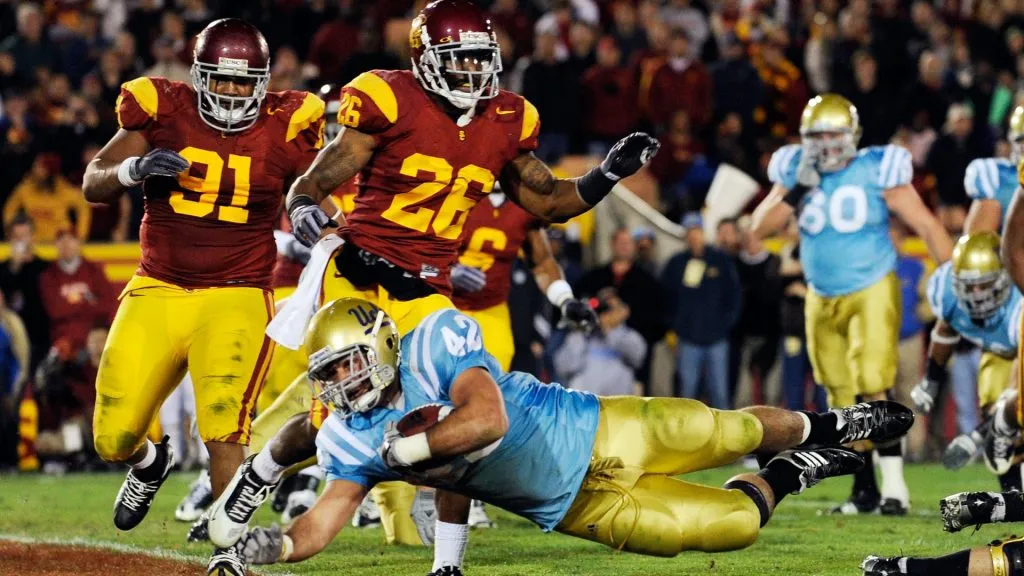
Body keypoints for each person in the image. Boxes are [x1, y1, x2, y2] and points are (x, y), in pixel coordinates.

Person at [202, 0, 658, 559]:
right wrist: (302, 209)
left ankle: (446, 560)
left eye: (479, 60)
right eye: (460, 60)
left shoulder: (506, 118)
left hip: (425, 287)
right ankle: (262, 472)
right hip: (359, 272)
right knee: (344, 413)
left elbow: (549, 199)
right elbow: (314, 182)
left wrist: (606, 174)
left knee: (447, 415)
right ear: (427, 60)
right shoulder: (390, 100)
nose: (473, 73)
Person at [226, 297, 913, 576]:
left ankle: (834, 423)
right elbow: (324, 521)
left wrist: (410, 452)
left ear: (379, 346)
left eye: (346, 364)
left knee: (723, 429)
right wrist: (280, 545)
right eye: (329, 373)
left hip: (591, 426)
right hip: (571, 509)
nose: (341, 384)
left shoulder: (435, 340)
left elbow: (485, 420)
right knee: (732, 526)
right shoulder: (347, 436)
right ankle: (797, 471)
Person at [80, 18, 326, 576]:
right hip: (157, 286)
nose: (235, 92)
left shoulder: (290, 124)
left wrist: (314, 211)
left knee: (223, 423)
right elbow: (93, 179)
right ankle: (150, 462)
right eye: (224, 80)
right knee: (111, 437)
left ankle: (227, 551)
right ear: (199, 75)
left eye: (246, 83)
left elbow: (321, 183)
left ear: (263, 82)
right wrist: (133, 169)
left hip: (237, 293)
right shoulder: (162, 108)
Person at [752, 93, 953, 516]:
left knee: (874, 383)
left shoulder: (876, 167)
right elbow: (759, 227)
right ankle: (863, 491)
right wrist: (797, 189)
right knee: (840, 401)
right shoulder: (796, 171)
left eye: (833, 134)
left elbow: (926, 223)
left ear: (852, 136)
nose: (825, 143)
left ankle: (895, 487)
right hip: (820, 295)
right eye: (817, 135)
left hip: (871, 286)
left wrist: (952, 275)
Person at [910, 233, 1021, 487]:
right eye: (969, 287)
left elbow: (1017, 395)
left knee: (1012, 414)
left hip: (1020, 351)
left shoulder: (1019, 304)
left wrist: (974, 437)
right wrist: (932, 379)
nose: (977, 295)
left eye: (984, 285)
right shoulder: (947, 293)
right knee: (992, 401)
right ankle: (1012, 491)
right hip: (1000, 352)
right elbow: (947, 328)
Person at [661, 212, 741, 410]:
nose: (694, 236)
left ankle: (724, 439)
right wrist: (675, 326)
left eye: (697, 231)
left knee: (720, 392)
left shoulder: (720, 260)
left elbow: (734, 294)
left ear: (703, 233)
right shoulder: (676, 263)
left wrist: (726, 323)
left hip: (717, 338)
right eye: (690, 232)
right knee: (688, 392)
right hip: (688, 338)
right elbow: (666, 298)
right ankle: (688, 436)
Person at [553, 287, 646, 395]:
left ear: (625, 311)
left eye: (610, 308)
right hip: (585, 404)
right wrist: (579, 331)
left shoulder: (631, 336)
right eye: (603, 308)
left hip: (615, 405)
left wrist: (610, 330)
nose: (605, 314)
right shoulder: (582, 337)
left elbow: (637, 359)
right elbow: (564, 368)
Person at [962, 105, 1024, 234]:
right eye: (1021, 140)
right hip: (1007, 251)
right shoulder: (995, 174)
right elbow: (979, 247)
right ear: (1011, 141)